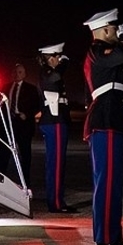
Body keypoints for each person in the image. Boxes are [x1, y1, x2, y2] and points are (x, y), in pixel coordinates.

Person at [82, 7, 123, 245]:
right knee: (107, 184)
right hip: (105, 122)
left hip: (112, 123)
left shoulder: (105, 52)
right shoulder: (97, 51)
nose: (117, 31)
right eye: (114, 28)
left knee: (111, 183)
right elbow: (120, 57)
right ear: (104, 30)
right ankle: (106, 239)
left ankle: (109, 236)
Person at [37, 42, 78, 213]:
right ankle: (55, 203)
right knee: (56, 164)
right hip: (54, 123)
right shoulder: (47, 73)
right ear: (51, 58)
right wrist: (64, 64)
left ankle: (57, 200)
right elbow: (55, 78)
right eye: (58, 58)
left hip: (57, 122)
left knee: (57, 163)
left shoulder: (49, 73)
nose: (59, 61)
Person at [0, 62, 39, 184]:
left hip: (23, 124)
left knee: (25, 154)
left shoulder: (31, 89)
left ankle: (25, 182)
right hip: (8, 123)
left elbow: (37, 106)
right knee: (3, 152)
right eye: (15, 72)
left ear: (24, 74)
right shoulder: (5, 87)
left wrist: (27, 114)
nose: (16, 75)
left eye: (19, 72)